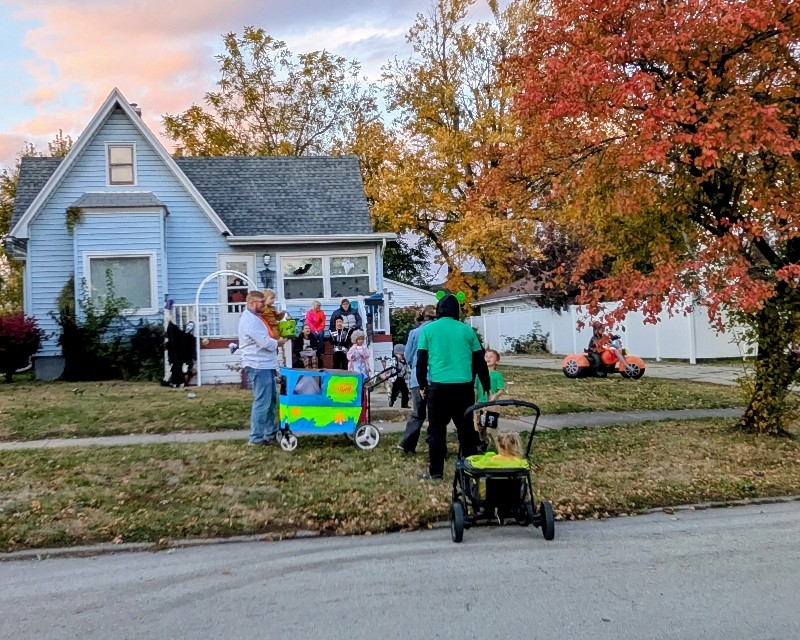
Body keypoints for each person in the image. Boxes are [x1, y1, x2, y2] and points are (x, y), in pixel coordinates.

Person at [416, 294, 490, 480]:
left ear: (438, 310)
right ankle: (471, 469)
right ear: (457, 311)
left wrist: (423, 384)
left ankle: (436, 472)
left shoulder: (428, 330)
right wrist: (486, 384)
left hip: (439, 388)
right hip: (463, 388)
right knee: (466, 431)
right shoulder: (467, 331)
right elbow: (479, 361)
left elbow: (421, 361)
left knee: (436, 431)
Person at [238, 290, 287, 446]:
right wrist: (278, 342)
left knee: (271, 400)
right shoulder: (250, 321)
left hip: (265, 364)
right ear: (253, 303)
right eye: (261, 302)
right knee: (262, 402)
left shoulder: (256, 318)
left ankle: (270, 432)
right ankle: (256, 437)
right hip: (257, 365)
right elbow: (264, 342)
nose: (264, 305)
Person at [396, 304, 436, 454]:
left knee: (418, 413)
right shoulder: (438, 330)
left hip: (417, 379)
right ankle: (434, 442)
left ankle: (408, 444)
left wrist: (414, 366)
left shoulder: (415, 332)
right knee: (435, 414)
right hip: (436, 378)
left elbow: (408, 355)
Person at [474, 349, 505, 448]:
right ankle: (483, 443)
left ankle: (498, 445)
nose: (488, 358)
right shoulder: (478, 374)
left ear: (497, 361)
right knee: (480, 426)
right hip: (479, 404)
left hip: (492, 405)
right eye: (486, 356)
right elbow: (475, 388)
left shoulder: (497, 375)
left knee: (491, 427)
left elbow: (501, 390)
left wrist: (495, 396)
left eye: (491, 356)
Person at [388, 344, 410, 408]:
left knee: (405, 391)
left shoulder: (404, 362)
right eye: (401, 355)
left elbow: (405, 370)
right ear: (396, 354)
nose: (402, 356)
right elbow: (389, 369)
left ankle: (404, 404)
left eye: (403, 355)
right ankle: (391, 401)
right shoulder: (393, 361)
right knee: (394, 392)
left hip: (401, 378)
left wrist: (405, 377)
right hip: (394, 378)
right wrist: (388, 376)